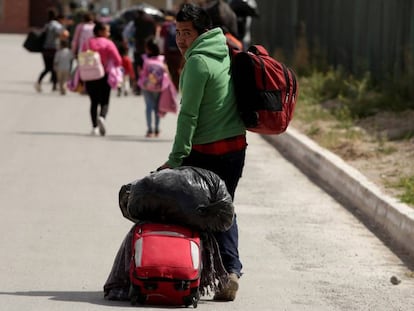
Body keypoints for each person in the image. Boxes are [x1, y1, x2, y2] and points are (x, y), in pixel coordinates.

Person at [157, 3, 247, 301]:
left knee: (193, 211)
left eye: (187, 33)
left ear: (201, 32)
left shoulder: (196, 62)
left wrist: (176, 159)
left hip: (206, 151)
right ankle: (230, 271)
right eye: (177, 32)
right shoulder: (223, 49)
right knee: (224, 208)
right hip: (235, 148)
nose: (181, 39)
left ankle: (190, 273)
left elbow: (188, 116)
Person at [81, 21, 122, 136]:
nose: (108, 33)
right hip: (105, 75)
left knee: (93, 102)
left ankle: (94, 127)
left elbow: (82, 57)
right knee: (105, 101)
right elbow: (118, 60)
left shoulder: (88, 43)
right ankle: (102, 117)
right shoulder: (109, 43)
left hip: (90, 76)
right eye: (107, 30)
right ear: (100, 31)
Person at [137, 37, 168, 137]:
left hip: (146, 86)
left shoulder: (144, 58)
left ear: (148, 48)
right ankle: (157, 129)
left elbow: (140, 72)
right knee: (157, 108)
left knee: (148, 107)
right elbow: (166, 73)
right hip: (158, 87)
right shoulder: (162, 59)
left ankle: (149, 129)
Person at [35, 11, 69, 92]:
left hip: (45, 48)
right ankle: (39, 82)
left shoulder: (48, 24)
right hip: (52, 49)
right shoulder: (56, 25)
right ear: (61, 19)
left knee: (52, 68)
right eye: (64, 20)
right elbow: (63, 34)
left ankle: (54, 86)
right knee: (50, 68)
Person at [133, 9, 157, 95]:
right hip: (149, 46)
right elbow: (154, 32)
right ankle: (151, 85)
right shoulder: (151, 19)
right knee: (149, 67)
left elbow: (133, 32)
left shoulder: (137, 19)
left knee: (138, 67)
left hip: (139, 47)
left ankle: (139, 87)